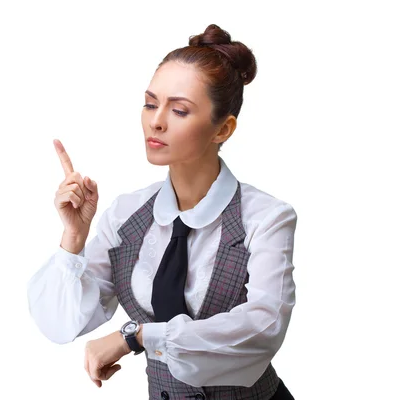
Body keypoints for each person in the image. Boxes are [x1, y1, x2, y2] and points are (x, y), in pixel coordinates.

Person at [27, 23, 297, 400]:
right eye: (151, 103)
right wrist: (73, 238)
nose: (156, 120)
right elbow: (63, 324)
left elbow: (263, 328)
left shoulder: (265, 218)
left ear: (224, 129)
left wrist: (137, 337)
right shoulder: (127, 215)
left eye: (180, 110)